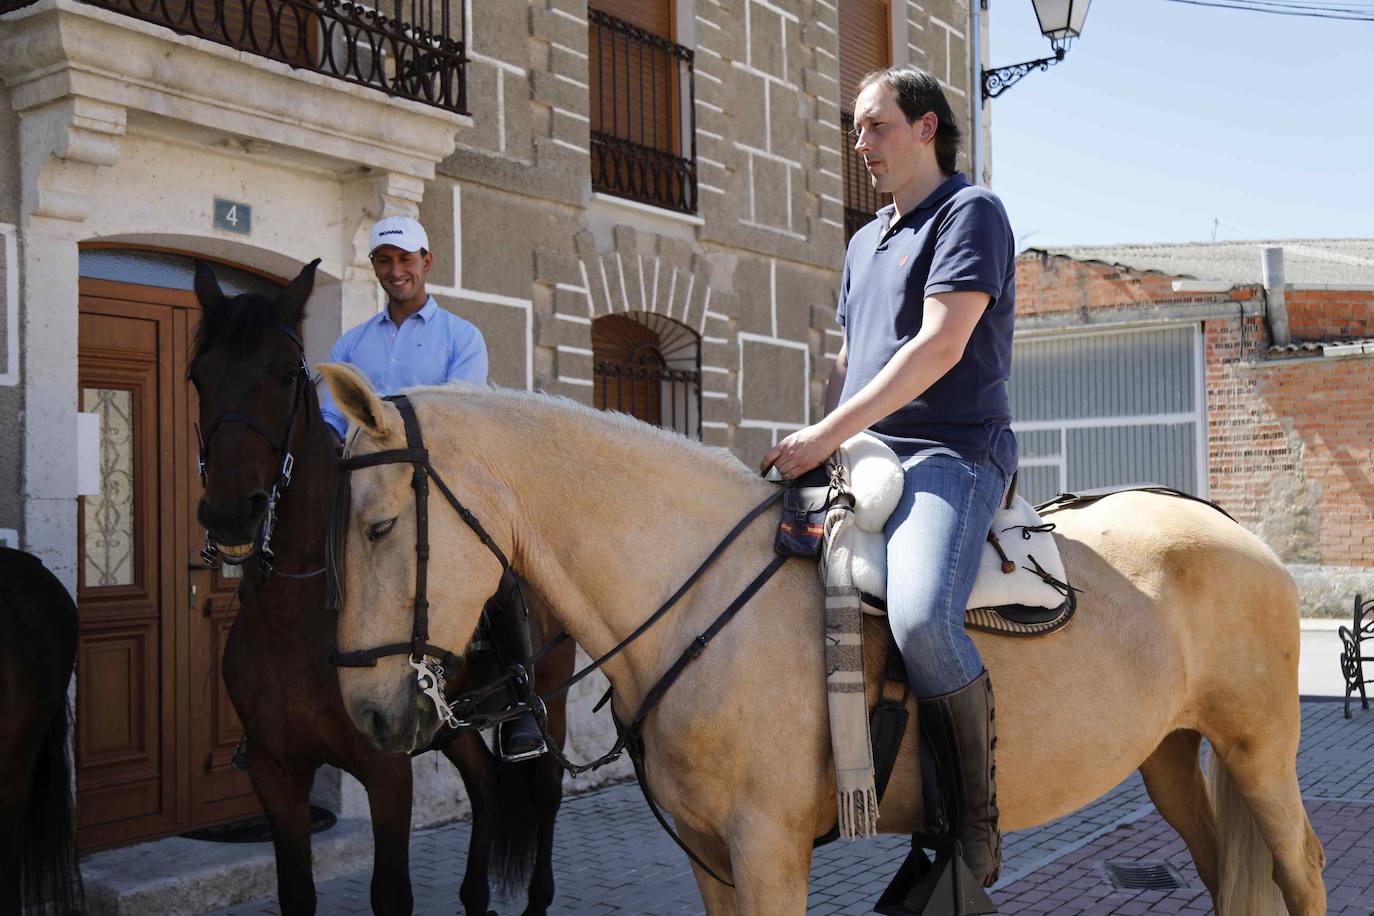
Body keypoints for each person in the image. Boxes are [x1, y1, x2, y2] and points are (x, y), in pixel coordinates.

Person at [760, 67, 1016, 887]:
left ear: (926, 127)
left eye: (874, 126)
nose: (859, 143)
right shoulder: (863, 241)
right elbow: (848, 360)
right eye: (857, 130)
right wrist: (819, 443)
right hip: (863, 457)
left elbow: (938, 347)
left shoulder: (971, 214)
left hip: (951, 453)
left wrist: (828, 432)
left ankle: (973, 828)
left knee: (920, 619)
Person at [319, 215, 546, 762]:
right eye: (384, 261)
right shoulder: (351, 344)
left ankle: (522, 705)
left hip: (440, 486)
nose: (395, 271)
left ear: (426, 261)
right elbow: (329, 417)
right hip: (368, 491)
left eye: (405, 259)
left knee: (502, 574)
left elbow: (460, 415)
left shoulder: (461, 337)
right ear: (374, 268)